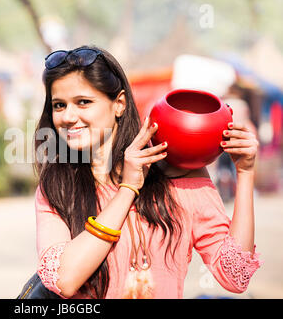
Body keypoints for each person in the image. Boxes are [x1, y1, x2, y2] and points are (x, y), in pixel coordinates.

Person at [32, 45, 262, 299]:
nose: (69, 116)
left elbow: (235, 275)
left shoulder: (178, 174)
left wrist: (245, 173)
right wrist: (127, 189)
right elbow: (65, 279)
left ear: (119, 103)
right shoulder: (57, 187)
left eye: (83, 102)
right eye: (59, 105)